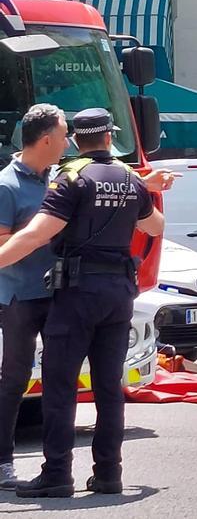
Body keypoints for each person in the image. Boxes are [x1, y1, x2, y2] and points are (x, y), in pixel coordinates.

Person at [0, 108, 168, 497]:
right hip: (119, 293)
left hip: (76, 294)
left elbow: (36, 236)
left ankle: (57, 474)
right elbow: (156, 226)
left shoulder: (71, 178)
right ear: (109, 137)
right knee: (109, 385)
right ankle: (109, 474)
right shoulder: (129, 177)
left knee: (60, 385)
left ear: (78, 139)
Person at [0, 105, 69, 490]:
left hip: (56, 293)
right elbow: (2, 246)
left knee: (60, 377)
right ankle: (2, 461)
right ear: (45, 140)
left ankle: (54, 465)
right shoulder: (6, 185)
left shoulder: (58, 179)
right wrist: (40, 232)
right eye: (63, 135)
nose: (68, 142)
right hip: (19, 298)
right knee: (15, 378)